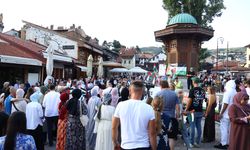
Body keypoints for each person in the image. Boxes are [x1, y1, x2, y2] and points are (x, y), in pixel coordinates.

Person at [112, 81, 157, 150]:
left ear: (130, 91)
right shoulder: (149, 108)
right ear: (142, 92)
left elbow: (114, 127)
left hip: (126, 146)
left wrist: (115, 143)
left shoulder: (120, 105)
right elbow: (152, 133)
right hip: (143, 146)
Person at [155, 80, 180, 150]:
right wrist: (177, 117)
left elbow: (155, 105)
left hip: (161, 118)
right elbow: (177, 107)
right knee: (171, 137)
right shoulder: (174, 94)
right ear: (167, 85)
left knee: (162, 136)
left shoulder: (158, 93)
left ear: (161, 86)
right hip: (172, 117)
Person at [214, 80, 237, 149]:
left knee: (224, 129)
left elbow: (225, 103)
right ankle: (229, 143)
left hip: (226, 114)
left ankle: (223, 143)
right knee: (230, 129)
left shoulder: (227, 92)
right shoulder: (235, 92)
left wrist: (221, 113)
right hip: (232, 114)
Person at [185, 77, 206, 147]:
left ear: (194, 82)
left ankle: (191, 142)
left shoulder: (192, 90)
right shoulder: (203, 90)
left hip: (192, 111)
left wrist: (186, 109)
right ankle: (197, 142)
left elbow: (189, 101)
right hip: (200, 110)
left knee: (192, 126)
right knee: (199, 126)